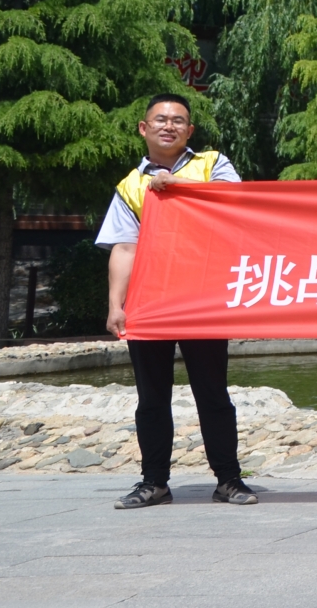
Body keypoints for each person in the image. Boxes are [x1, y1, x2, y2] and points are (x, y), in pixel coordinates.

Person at [99, 94, 255, 510]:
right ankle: (154, 483)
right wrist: (116, 304)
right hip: (149, 302)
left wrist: (178, 186)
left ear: (190, 131)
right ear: (143, 128)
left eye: (178, 121)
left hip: (203, 298)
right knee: (152, 398)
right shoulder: (130, 186)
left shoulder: (212, 164)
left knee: (213, 393)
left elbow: (235, 202)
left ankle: (228, 479)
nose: (169, 126)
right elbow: (124, 248)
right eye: (161, 119)